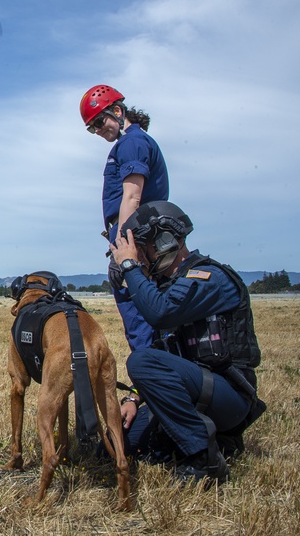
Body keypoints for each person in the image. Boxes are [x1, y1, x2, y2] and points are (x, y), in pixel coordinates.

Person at [109, 201, 265, 486]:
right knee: (115, 445)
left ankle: (205, 458)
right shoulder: (168, 288)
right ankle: (193, 441)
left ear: (165, 240)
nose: (139, 258)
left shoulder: (209, 278)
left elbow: (160, 313)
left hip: (226, 394)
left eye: (142, 249)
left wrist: (129, 266)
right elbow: (161, 351)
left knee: (140, 361)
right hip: (193, 392)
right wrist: (134, 397)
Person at [80, 84, 170, 351]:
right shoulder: (130, 142)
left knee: (138, 318)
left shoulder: (132, 142)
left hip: (133, 239)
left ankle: (148, 384)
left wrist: (123, 250)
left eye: (99, 121)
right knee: (142, 317)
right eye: (92, 127)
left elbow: (132, 196)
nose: (98, 130)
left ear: (117, 111)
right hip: (135, 236)